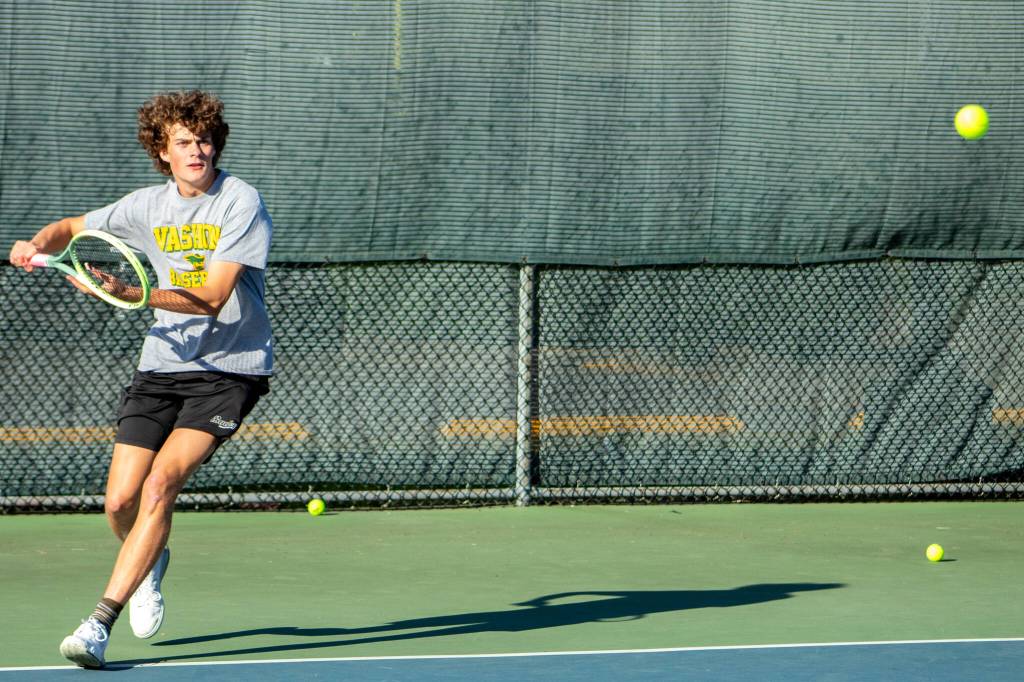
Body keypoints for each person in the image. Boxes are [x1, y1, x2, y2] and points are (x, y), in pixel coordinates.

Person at [8, 90, 273, 669]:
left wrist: (131, 292)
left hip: (229, 370)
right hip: (161, 364)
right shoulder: (146, 206)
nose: (197, 150)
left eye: (204, 139)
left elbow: (209, 297)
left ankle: (98, 623)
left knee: (161, 486)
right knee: (120, 500)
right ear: (163, 150)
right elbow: (71, 227)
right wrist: (35, 245)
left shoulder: (240, 201)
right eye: (183, 142)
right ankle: (152, 558)